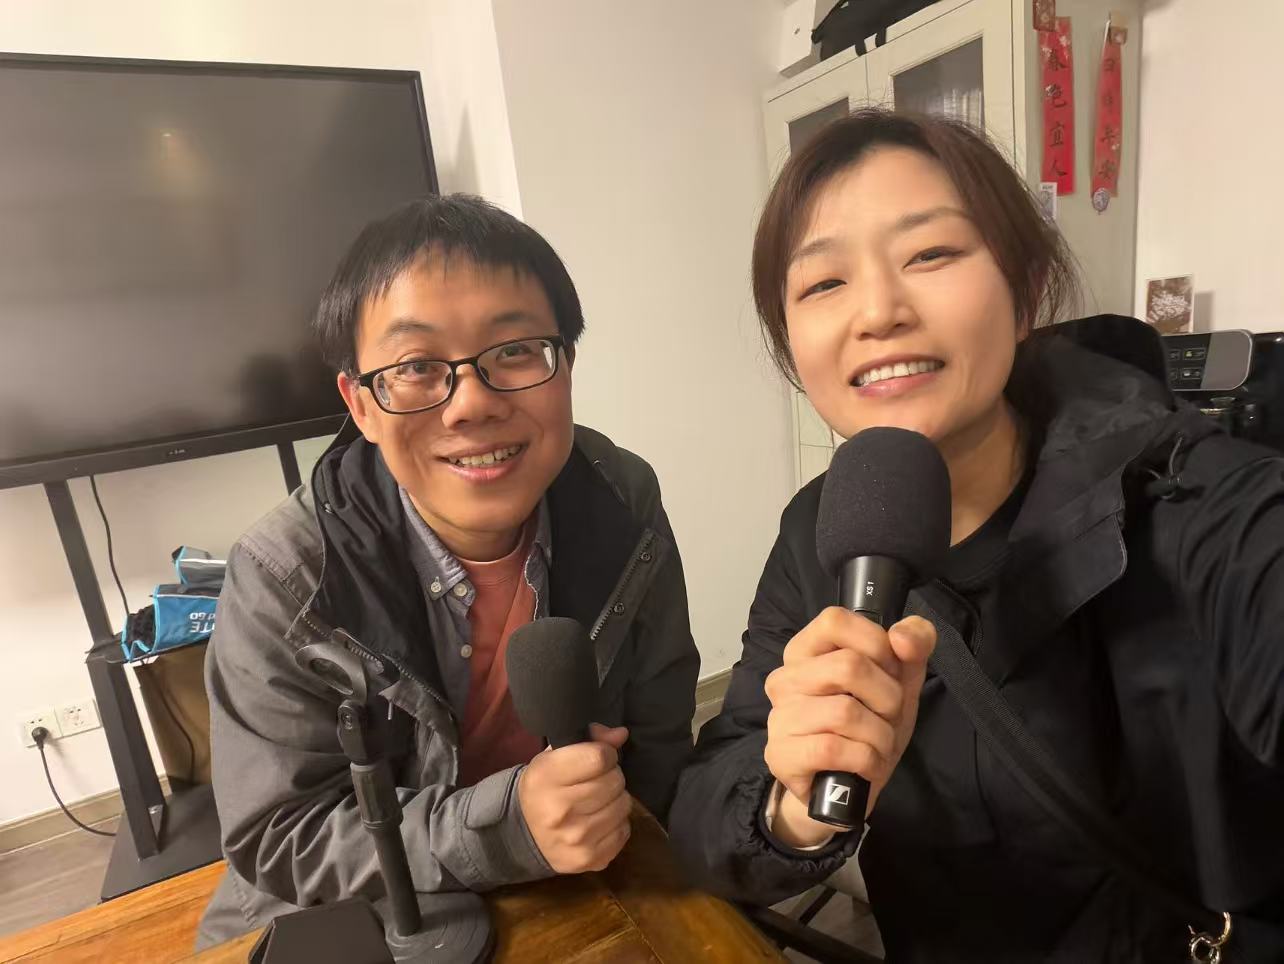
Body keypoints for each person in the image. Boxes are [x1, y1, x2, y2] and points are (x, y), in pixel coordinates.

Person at [669, 109, 1284, 961]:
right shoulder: (818, 530)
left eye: (929, 254)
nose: (878, 312)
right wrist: (791, 807)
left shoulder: (1190, 497)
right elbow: (706, 806)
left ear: (1024, 293)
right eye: (823, 283)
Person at [196, 195, 699, 948]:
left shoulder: (622, 497)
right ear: (361, 405)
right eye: (416, 368)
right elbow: (281, 836)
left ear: (565, 366)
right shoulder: (287, 574)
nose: (471, 404)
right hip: (370, 917)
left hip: (581, 879)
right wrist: (504, 830)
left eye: (515, 350)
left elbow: (659, 727)